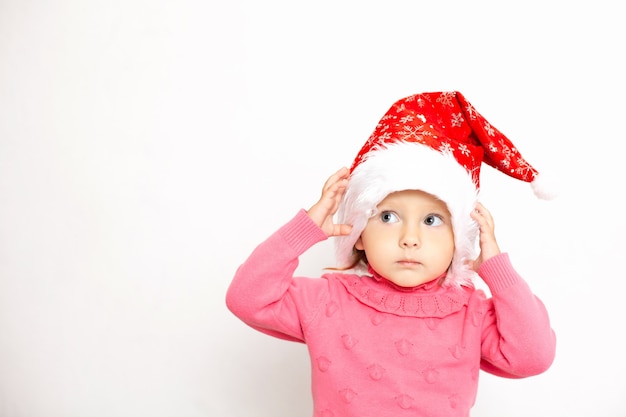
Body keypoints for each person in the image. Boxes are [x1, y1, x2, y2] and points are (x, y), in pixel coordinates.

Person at [226, 91, 556, 417]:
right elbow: (247, 298)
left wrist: (497, 271)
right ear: (358, 233)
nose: (409, 238)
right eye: (387, 217)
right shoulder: (326, 301)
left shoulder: (471, 312)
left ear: (459, 239)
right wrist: (304, 230)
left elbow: (534, 355)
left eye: (432, 220)